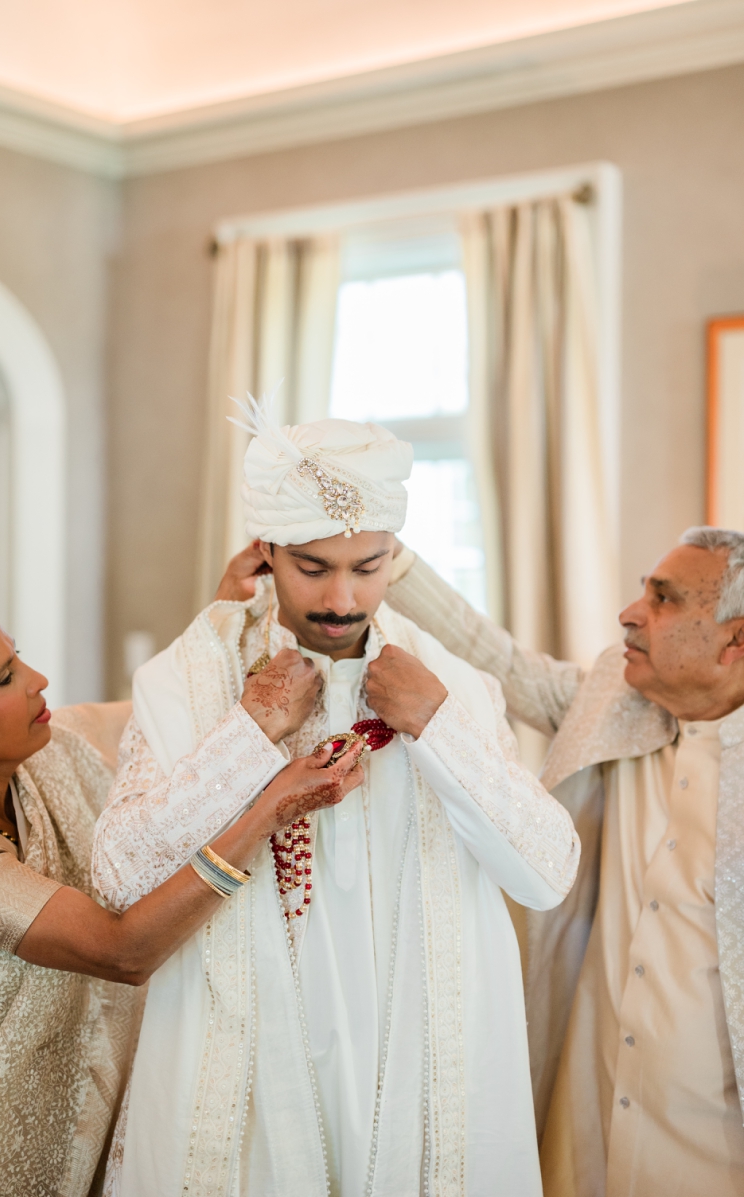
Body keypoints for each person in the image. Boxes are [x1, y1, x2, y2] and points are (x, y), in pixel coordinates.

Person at [94, 397, 580, 1197]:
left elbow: (547, 872)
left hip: (418, 1044)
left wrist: (437, 725)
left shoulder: (453, 685)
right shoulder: (191, 679)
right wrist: (249, 730)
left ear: (398, 557)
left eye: (369, 566)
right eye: (313, 567)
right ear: (267, 554)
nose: (343, 601)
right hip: (253, 1046)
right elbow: (120, 874)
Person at [347, 526, 744, 1195]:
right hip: (583, 1120)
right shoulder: (615, 703)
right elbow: (501, 660)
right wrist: (389, 556)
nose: (630, 612)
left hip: (713, 1152)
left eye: (665, 599)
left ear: (734, 643)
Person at [0, 598, 368, 1197]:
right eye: (6, 677)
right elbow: (122, 953)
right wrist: (266, 815)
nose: (39, 681)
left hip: (95, 1109)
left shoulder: (52, 748)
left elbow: (180, 715)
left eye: (22, 658)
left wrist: (224, 621)